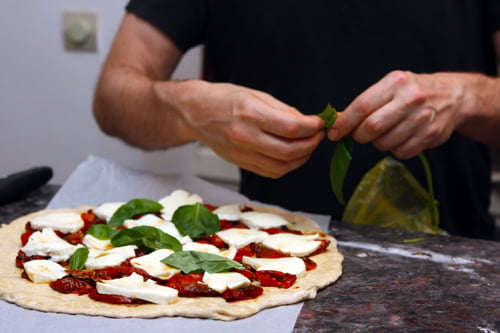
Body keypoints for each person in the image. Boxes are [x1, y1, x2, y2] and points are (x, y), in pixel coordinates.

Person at [93, 1, 500, 240]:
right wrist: (186, 108)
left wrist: (468, 96)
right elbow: (113, 99)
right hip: (270, 256)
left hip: (455, 253)